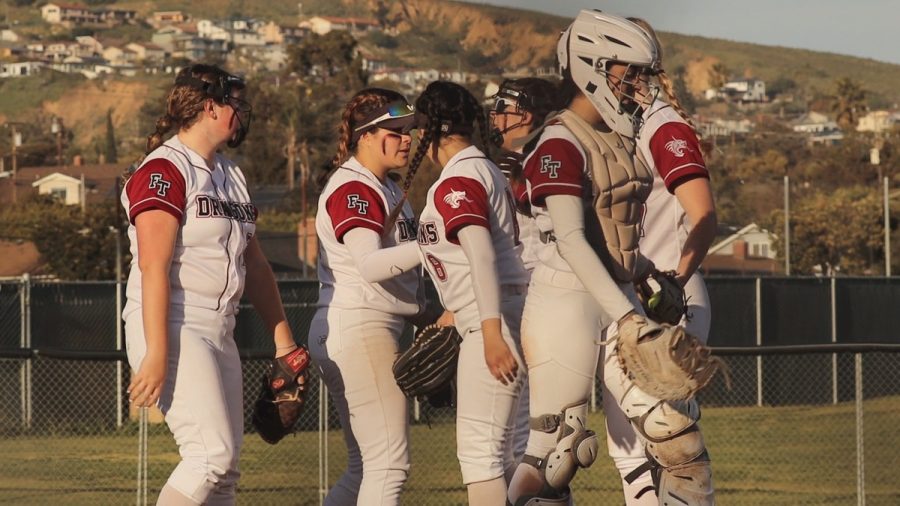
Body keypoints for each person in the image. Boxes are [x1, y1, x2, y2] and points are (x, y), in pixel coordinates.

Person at [506, 11, 714, 506]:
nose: (638, 85)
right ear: (593, 66)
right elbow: (573, 241)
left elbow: (612, 235)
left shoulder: (616, 137)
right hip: (567, 302)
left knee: (675, 434)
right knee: (558, 449)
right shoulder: (559, 139)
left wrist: (648, 275)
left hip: (616, 290)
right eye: (628, 72)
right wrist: (628, 318)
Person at [122, 63, 300, 505]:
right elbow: (153, 267)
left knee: (225, 472)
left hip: (219, 328)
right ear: (208, 106)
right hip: (173, 320)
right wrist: (157, 352)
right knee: (209, 456)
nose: (241, 110)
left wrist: (285, 345)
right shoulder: (164, 169)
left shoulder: (231, 175)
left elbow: (255, 266)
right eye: (233, 101)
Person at [597, 17, 719, 505]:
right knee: (628, 450)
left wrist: (674, 281)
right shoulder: (623, 126)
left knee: (668, 439)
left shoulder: (660, 124)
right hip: (633, 294)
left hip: (667, 294)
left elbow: (705, 214)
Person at [308, 88, 427, 506]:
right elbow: (371, 265)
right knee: (389, 466)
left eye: (409, 129)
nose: (407, 138)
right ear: (365, 135)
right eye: (395, 130)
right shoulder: (352, 187)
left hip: (361, 326)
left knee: (364, 468)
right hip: (360, 326)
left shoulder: (388, 188)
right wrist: (434, 244)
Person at [413, 80, 529, 505]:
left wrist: (490, 331)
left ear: (432, 131)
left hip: (494, 320)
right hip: (505, 311)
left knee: (481, 456)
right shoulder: (480, 168)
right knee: (513, 456)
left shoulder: (459, 177)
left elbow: (480, 255)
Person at [487, 77, 562, 470]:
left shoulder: (525, 160)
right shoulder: (552, 153)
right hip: (534, 291)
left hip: (527, 290)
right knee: (529, 431)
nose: (495, 116)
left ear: (526, 115)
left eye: (503, 108)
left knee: (516, 437)